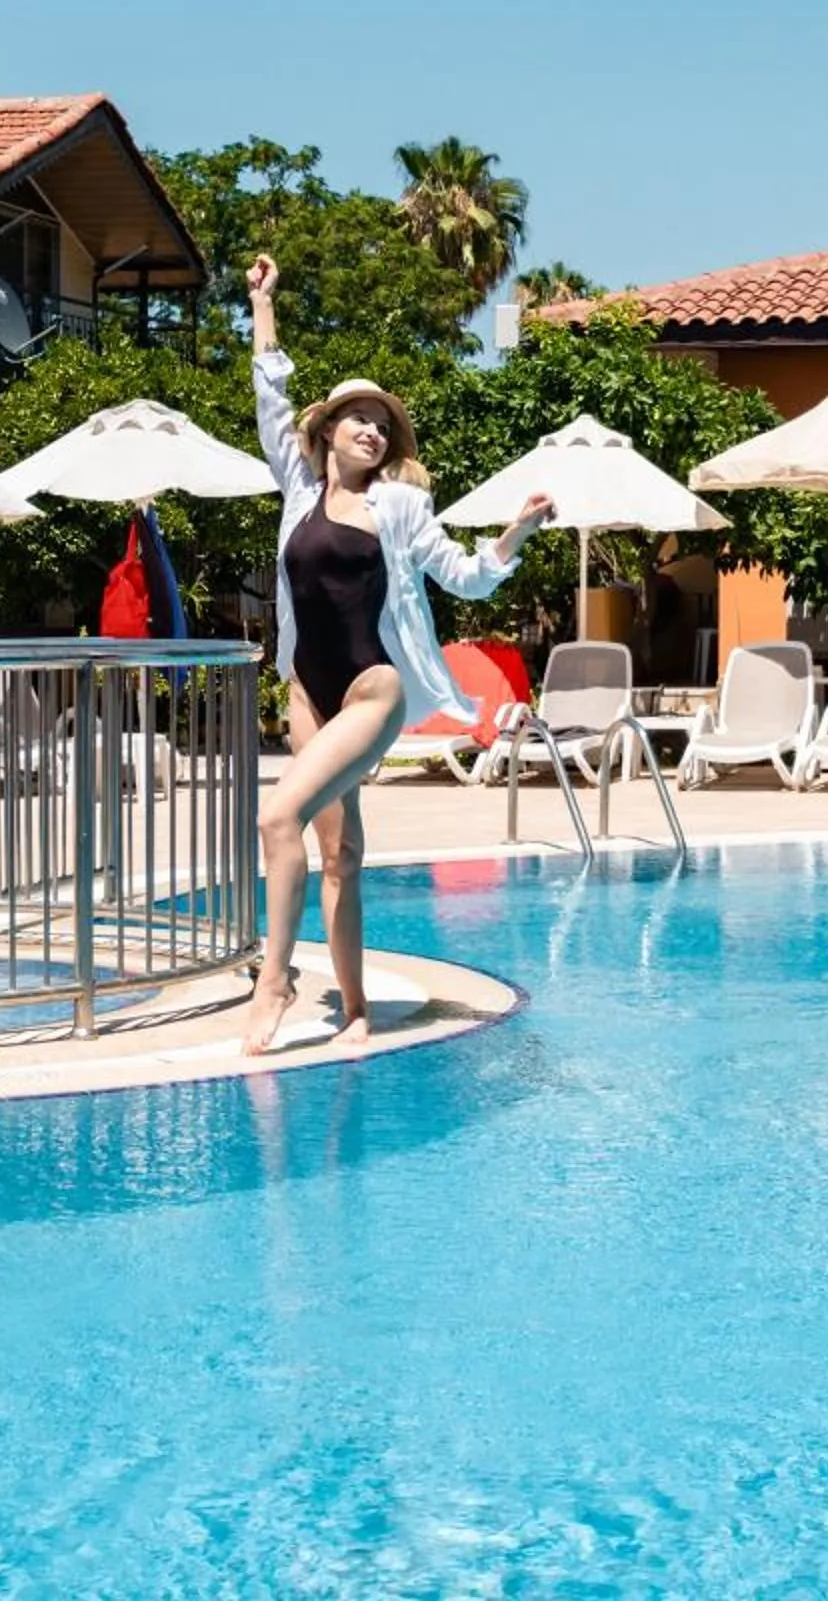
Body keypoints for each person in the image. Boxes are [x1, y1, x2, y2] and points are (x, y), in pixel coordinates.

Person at [243, 252, 552, 1054]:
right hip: (306, 689)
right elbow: (268, 391)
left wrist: (515, 531)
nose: (373, 428)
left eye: (382, 422)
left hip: (370, 690)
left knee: (278, 813)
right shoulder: (299, 490)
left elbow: (468, 578)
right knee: (337, 850)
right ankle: (353, 1007)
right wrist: (264, 302)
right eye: (358, 418)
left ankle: (274, 981)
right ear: (328, 433)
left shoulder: (404, 506)